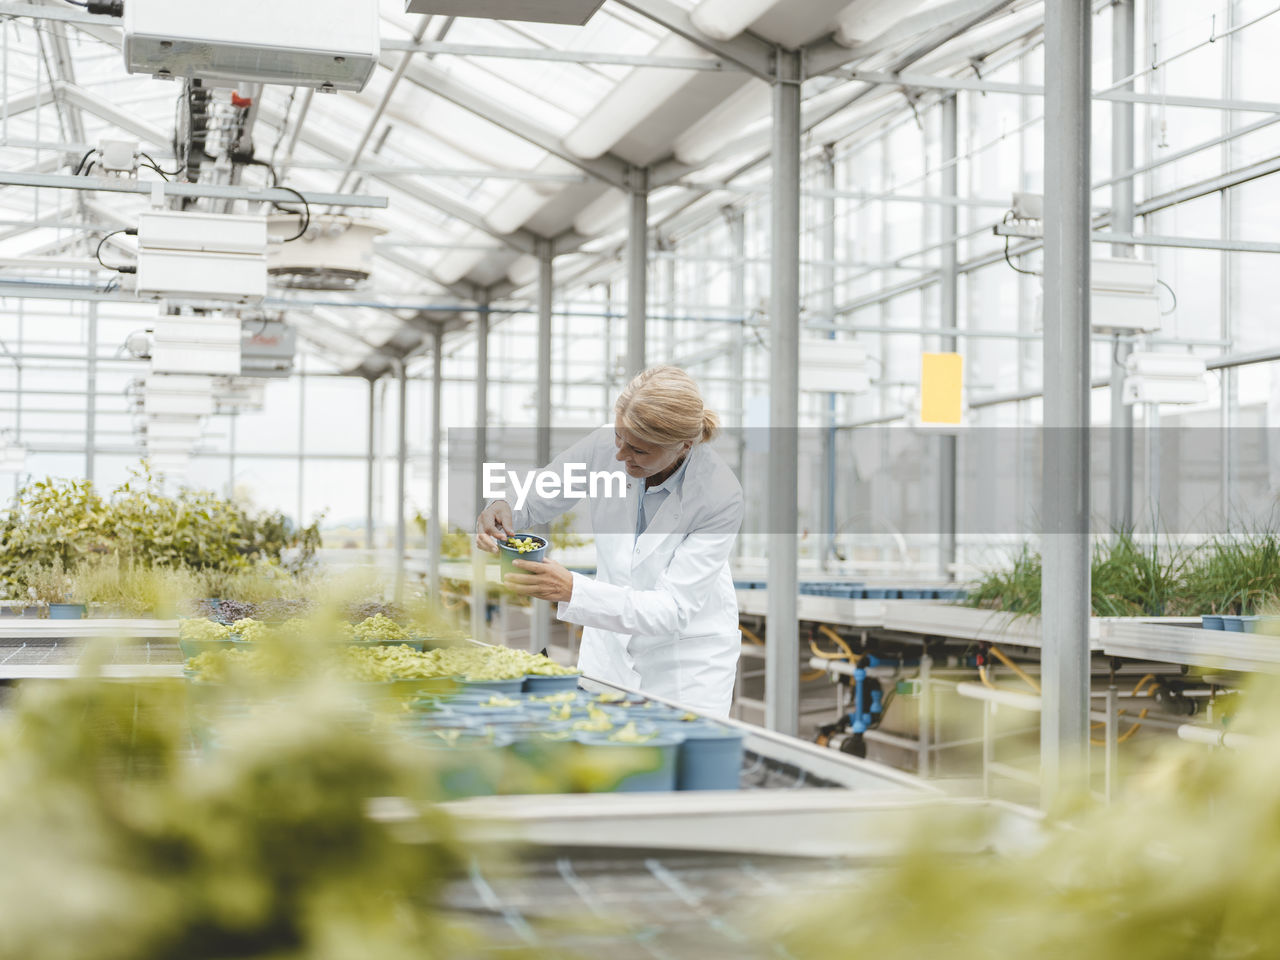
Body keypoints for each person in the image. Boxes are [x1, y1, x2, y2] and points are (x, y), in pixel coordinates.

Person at [475, 366, 745, 717]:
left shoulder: (719, 495)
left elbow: (672, 609)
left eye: (639, 451)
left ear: (683, 445)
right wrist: (503, 506)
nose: (620, 455)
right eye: (619, 437)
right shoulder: (608, 444)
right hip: (608, 649)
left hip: (684, 662)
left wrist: (573, 589)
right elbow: (541, 490)